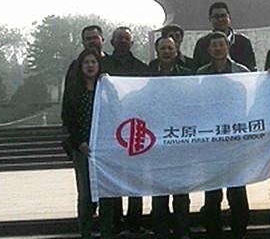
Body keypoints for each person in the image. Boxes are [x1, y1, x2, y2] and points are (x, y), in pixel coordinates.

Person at [196, 31, 250, 239]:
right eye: (214, 45)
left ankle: (239, 232)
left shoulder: (242, 71)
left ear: (228, 47)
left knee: (237, 189)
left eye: (221, 44)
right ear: (208, 50)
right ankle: (213, 231)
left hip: (235, 138)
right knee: (212, 190)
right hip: (211, 139)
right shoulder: (201, 73)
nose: (218, 48)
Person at [100, 26, 150, 233]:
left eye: (126, 39)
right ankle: (115, 220)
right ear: (112, 42)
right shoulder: (102, 67)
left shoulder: (142, 68)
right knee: (113, 176)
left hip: (135, 127)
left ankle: (135, 220)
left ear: (132, 43)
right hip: (109, 129)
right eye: (118, 38)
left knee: (135, 177)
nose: (122, 42)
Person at [66, 48, 116, 239]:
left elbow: (116, 112)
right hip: (83, 149)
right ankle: (85, 232)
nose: (90, 65)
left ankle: (106, 232)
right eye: (86, 62)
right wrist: (80, 143)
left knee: (106, 193)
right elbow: (68, 119)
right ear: (80, 66)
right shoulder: (74, 90)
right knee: (85, 194)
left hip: (105, 149)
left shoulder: (106, 89)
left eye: (93, 62)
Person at [149, 36, 192, 239]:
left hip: (180, 139)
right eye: (163, 48)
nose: (166, 52)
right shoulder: (146, 76)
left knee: (181, 189)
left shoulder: (187, 75)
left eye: (170, 48)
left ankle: (182, 230)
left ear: (176, 51)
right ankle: (161, 230)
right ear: (157, 52)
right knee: (159, 190)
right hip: (157, 140)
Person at [61, 25, 107, 129]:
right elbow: (68, 98)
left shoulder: (112, 64)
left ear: (102, 40)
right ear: (83, 42)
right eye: (88, 39)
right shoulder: (75, 66)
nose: (92, 41)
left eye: (95, 38)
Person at [193, 2, 256, 71]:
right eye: (216, 17)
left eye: (223, 16)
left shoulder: (243, 42)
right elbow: (196, 70)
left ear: (229, 17)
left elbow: (251, 69)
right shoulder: (202, 43)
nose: (220, 19)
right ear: (210, 19)